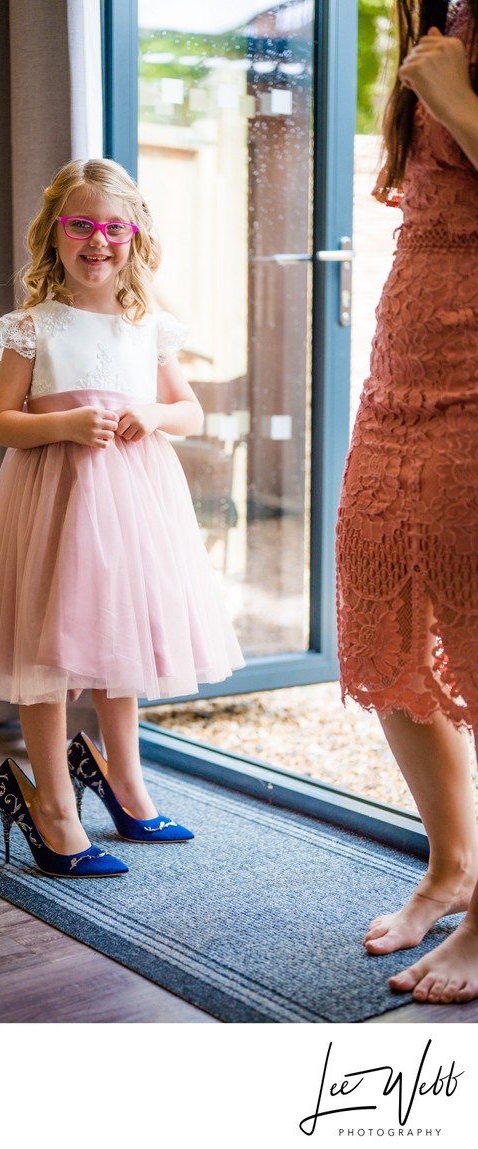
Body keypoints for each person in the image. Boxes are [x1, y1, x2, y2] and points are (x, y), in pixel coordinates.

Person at [0, 158, 244, 878]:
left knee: (121, 643)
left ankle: (126, 784)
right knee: (47, 650)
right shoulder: (32, 326)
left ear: (134, 238)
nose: (97, 241)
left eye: (113, 227)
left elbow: (189, 409)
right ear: (52, 236)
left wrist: (152, 411)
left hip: (135, 505)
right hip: (55, 500)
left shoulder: (149, 328)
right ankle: (52, 803)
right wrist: (70, 422)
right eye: (80, 225)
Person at [336, 0, 478, 1002]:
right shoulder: (430, 13)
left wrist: (458, 97)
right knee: (376, 615)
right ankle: (451, 864)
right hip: (405, 355)